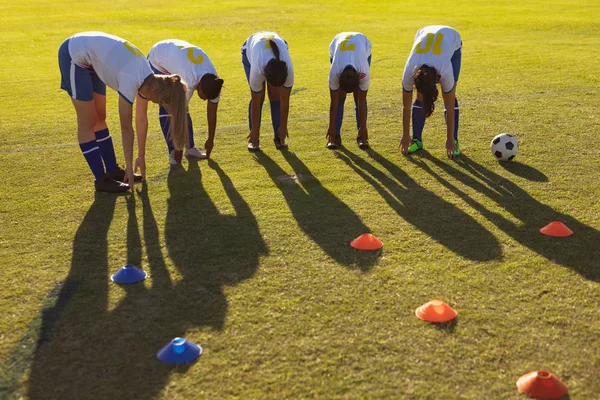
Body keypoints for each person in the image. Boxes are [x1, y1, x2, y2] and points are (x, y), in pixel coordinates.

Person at [58, 31, 188, 192]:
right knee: (88, 121)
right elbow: (126, 127)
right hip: (74, 55)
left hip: (93, 59)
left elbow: (140, 119)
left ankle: (112, 169)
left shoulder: (149, 79)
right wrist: (129, 167)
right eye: (158, 101)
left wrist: (140, 157)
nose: (155, 103)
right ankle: (101, 180)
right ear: (155, 89)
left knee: (100, 117)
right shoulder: (131, 79)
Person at [145, 39, 223, 165]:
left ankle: (190, 148)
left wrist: (211, 139)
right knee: (168, 106)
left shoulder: (214, 82)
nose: (204, 100)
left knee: (181, 107)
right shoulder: (189, 81)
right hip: (158, 58)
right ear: (200, 86)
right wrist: (178, 148)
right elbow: (178, 114)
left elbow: (212, 114)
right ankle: (172, 151)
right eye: (204, 97)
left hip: (175, 55)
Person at [400, 26, 462, 159]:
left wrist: (449, 139)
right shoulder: (409, 72)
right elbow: (406, 106)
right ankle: (416, 140)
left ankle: (454, 140)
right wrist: (405, 135)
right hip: (424, 33)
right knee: (421, 96)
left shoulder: (445, 70)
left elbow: (449, 106)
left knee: (450, 95)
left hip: (451, 38)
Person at [241, 31, 294, 151]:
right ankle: (254, 139)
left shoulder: (288, 69)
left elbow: (284, 101)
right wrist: (254, 130)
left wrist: (284, 126)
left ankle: (279, 138)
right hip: (250, 48)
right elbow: (255, 102)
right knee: (259, 98)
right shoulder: (257, 68)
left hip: (277, 44)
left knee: (275, 96)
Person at [326, 32, 372, 150]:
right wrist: (331, 126)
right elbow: (334, 102)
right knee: (339, 98)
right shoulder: (335, 72)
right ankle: (335, 136)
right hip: (338, 43)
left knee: (358, 97)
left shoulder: (363, 71)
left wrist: (364, 126)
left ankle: (362, 136)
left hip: (362, 43)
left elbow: (362, 101)